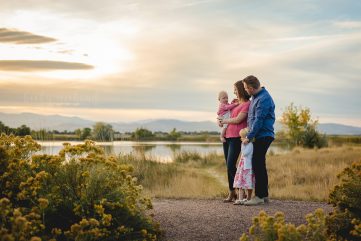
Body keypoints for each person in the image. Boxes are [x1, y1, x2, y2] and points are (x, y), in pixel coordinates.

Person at [241, 75, 275, 206]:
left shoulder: (264, 98)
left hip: (264, 135)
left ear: (250, 87)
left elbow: (258, 120)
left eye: (245, 88)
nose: (245, 90)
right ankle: (264, 195)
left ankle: (259, 196)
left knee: (257, 163)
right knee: (260, 164)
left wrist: (249, 137)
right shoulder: (255, 97)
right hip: (259, 135)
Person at [218, 80, 251, 202]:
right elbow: (224, 114)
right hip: (227, 137)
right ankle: (232, 193)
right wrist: (219, 120)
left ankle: (241, 189)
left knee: (231, 164)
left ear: (241, 90)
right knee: (228, 166)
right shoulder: (234, 102)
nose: (234, 92)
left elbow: (237, 120)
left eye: (236, 90)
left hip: (237, 137)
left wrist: (224, 121)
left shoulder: (247, 104)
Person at [233, 127, 255, 205]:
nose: (240, 139)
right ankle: (240, 199)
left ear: (246, 138)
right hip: (242, 167)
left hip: (247, 168)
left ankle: (248, 198)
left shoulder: (250, 145)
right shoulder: (246, 145)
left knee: (247, 183)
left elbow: (245, 153)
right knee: (240, 182)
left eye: (242, 137)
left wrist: (242, 145)